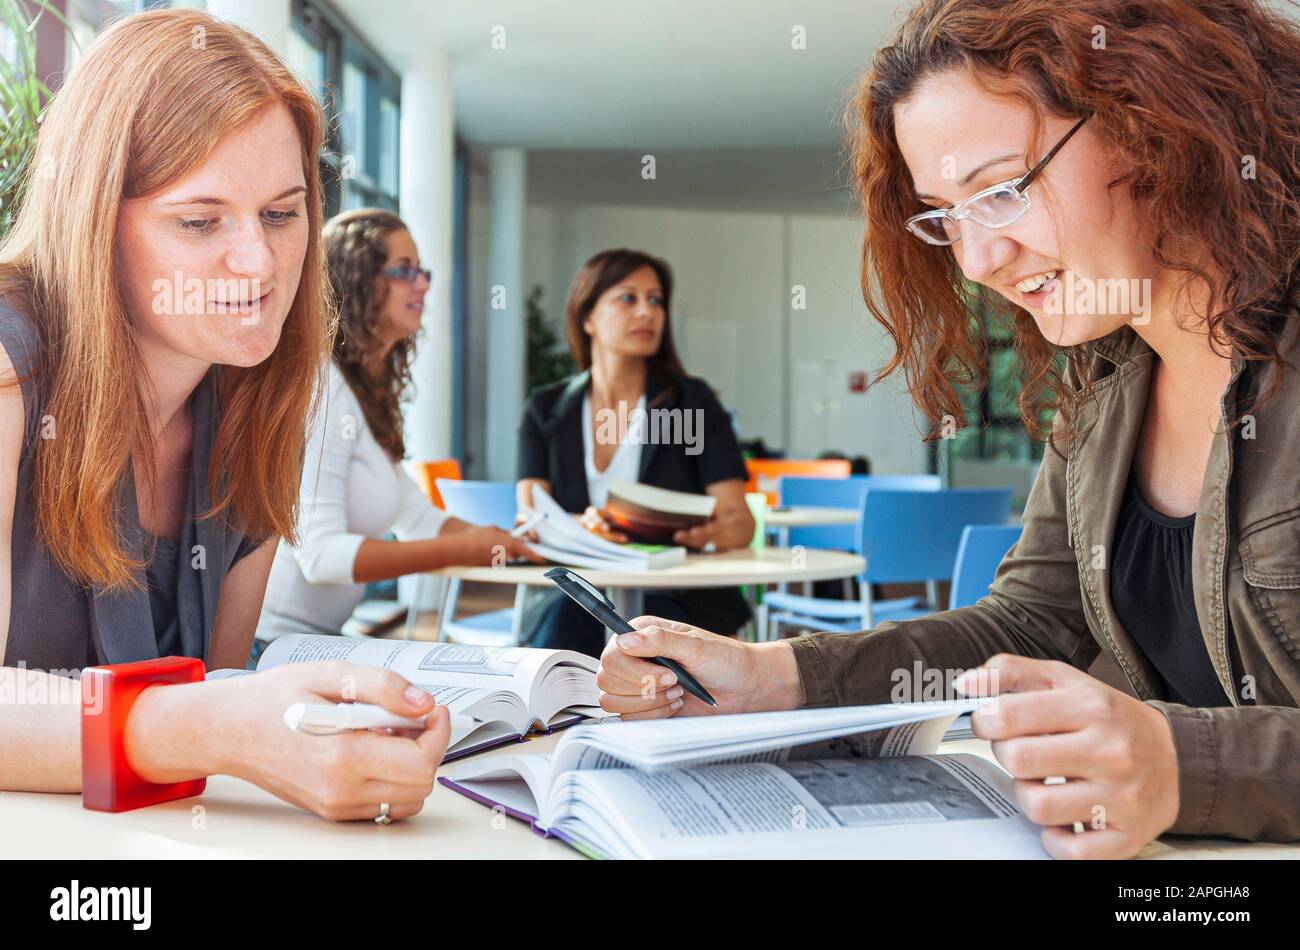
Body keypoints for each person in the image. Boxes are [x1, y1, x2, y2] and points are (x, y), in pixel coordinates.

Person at [595, 0, 1300, 857]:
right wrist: (775, 678)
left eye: (1001, 191)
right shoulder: (1108, 377)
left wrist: (1181, 763)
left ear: (1159, 124)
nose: (975, 261)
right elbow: (1032, 623)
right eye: (945, 215)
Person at [0, 9, 448, 822]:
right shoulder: (8, 369)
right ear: (93, 222)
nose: (260, 262)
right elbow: (207, 723)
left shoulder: (262, 395)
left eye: (282, 214)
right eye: (200, 221)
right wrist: (212, 725)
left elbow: (219, 717)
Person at [254, 208, 537, 652]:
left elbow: (420, 520)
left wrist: (503, 542)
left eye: (421, 270)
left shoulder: (361, 392)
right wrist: (464, 550)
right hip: (272, 647)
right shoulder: (322, 387)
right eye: (404, 271)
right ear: (358, 284)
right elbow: (321, 558)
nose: (423, 283)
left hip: (313, 642)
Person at [516, 248, 755, 656]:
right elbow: (532, 518)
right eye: (628, 298)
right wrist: (586, 527)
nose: (647, 312)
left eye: (656, 300)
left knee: (647, 637)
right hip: (578, 596)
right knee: (562, 647)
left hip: (674, 596)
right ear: (587, 317)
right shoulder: (546, 408)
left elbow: (740, 523)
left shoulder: (691, 401)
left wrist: (699, 533)